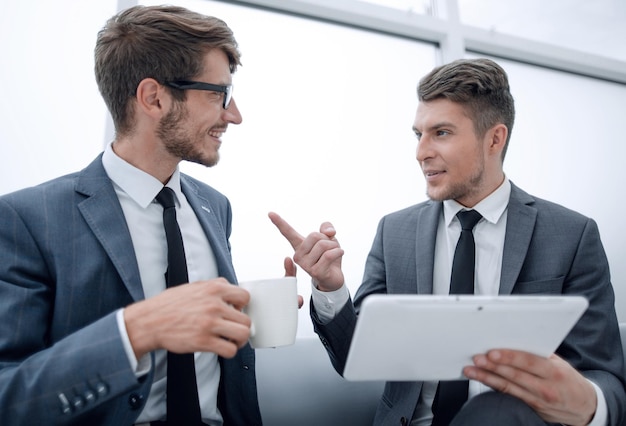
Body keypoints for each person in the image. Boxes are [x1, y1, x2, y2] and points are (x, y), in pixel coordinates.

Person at [269, 58, 626, 425]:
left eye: (441, 133)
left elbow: (605, 378)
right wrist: (331, 288)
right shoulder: (395, 232)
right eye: (418, 134)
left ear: (494, 139)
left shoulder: (570, 235)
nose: (421, 152)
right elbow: (355, 358)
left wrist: (587, 405)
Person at [0, 5, 282, 425]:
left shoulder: (215, 207)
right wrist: (132, 332)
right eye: (218, 94)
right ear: (154, 98)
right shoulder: (28, 219)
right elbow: (8, 395)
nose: (234, 115)